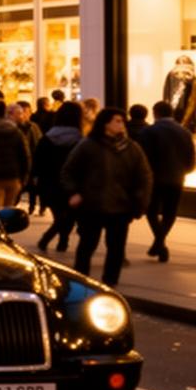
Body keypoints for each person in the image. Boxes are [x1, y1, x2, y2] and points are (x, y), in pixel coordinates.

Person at [61, 106, 153, 286]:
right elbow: (68, 171)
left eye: (122, 121)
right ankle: (81, 282)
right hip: (92, 205)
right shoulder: (89, 145)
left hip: (121, 206)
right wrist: (74, 192)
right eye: (117, 121)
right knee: (87, 245)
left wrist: (140, 202)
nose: (122, 124)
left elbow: (145, 176)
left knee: (116, 249)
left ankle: (110, 283)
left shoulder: (131, 148)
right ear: (105, 123)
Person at [139, 100, 195, 262]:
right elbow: (191, 157)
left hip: (156, 177)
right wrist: (185, 170)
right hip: (176, 177)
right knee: (170, 212)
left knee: (151, 210)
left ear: (155, 113)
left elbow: (144, 157)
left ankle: (159, 242)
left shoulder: (149, 132)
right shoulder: (184, 132)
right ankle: (159, 242)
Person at [37, 101, 87, 253]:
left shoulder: (47, 138)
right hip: (73, 183)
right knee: (70, 214)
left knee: (59, 215)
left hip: (49, 182)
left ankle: (57, 240)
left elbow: (39, 161)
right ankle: (55, 239)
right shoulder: (81, 140)